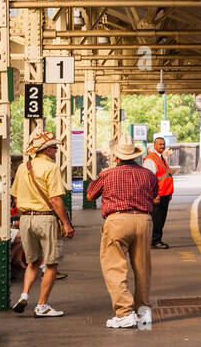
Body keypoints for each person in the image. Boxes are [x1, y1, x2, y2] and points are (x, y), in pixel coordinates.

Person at [88, 134, 160, 330]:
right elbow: (154, 194)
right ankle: (143, 310)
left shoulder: (107, 174)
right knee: (143, 267)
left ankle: (124, 313)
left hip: (117, 221)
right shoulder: (148, 175)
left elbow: (90, 194)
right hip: (144, 221)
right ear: (135, 156)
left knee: (115, 268)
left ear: (116, 157)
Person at [10, 132, 74, 316]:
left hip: (25, 219)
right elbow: (55, 199)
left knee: (33, 261)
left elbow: (15, 196)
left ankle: (23, 295)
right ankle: (42, 306)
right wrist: (66, 224)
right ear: (47, 150)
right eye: (54, 148)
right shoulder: (50, 167)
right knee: (51, 263)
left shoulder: (24, 167)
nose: (56, 150)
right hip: (45, 219)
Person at [143, 136, 175, 250]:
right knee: (157, 219)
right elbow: (149, 179)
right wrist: (153, 195)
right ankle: (155, 241)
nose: (162, 146)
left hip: (164, 193)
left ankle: (157, 240)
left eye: (163, 144)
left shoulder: (160, 157)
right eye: (159, 144)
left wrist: (169, 193)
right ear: (154, 145)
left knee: (161, 219)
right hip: (158, 195)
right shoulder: (150, 159)